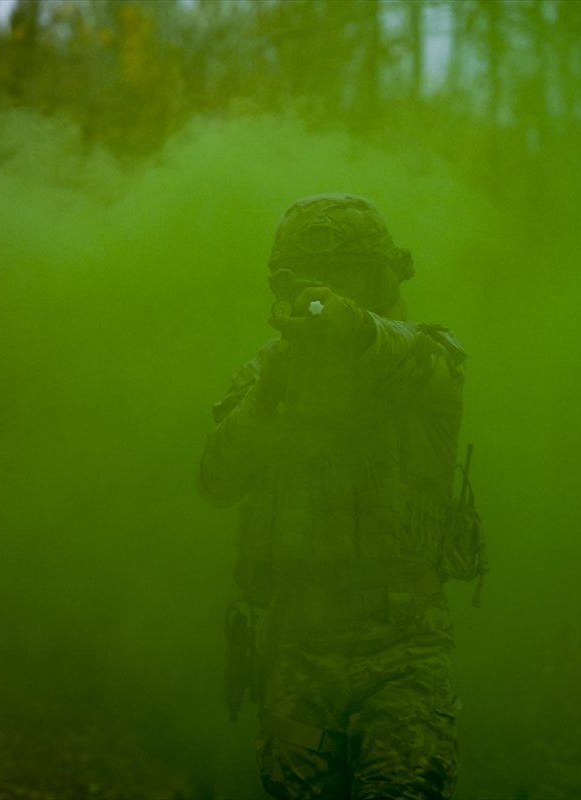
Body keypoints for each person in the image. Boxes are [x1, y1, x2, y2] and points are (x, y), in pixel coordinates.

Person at [199, 193, 469, 800]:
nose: (324, 292)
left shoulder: (429, 355)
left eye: (343, 276)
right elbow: (216, 482)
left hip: (401, 646)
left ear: (378, 276)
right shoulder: (269, 374)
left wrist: (347, 326)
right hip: (297, 647)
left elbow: (393, 350)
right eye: (310, 280)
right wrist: (266, 398)